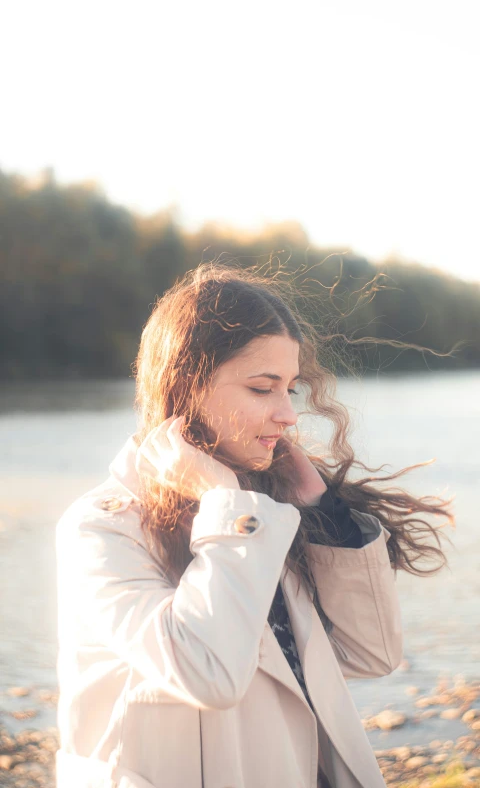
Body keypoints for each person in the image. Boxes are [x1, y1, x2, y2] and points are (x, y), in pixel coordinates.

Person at [55, 262, 452, 788]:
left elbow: (371, 652)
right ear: (184, 387)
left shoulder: (264, 512)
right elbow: (208, 673)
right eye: (264, 388)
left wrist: (321, 511)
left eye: (290, 388)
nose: (289, 414)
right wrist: (224, 501)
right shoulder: (103, 531)